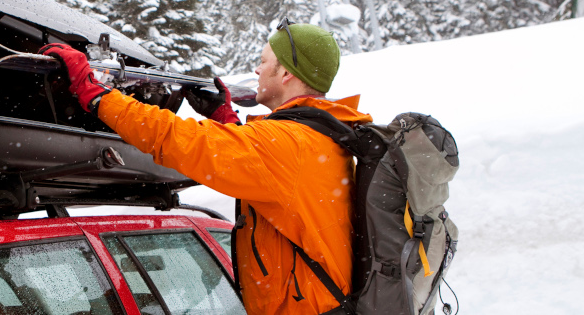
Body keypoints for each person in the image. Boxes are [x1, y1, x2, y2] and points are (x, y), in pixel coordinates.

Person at [40, 20, 372, 314]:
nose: (256, 71)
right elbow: (266, 167)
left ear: (285, 73)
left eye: (263, 62)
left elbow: (177, 140)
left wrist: (94, 93)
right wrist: (225, 118)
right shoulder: (313, 137)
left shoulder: (289, 144)